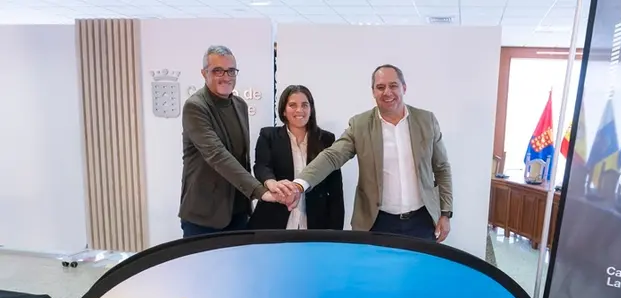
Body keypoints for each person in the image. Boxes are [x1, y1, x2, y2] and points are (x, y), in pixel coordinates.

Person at [274, 64, 453, 242]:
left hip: (421, 222)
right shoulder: (360, 125)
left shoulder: (426, 120)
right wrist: (299, 185)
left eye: (393, 86)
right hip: (377, 223)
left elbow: (442, 168)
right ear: (373, 92)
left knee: (419, 271)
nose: (387, 92)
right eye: (380, 87)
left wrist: (445, 213)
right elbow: (332, 156)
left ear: (404, 88)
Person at [178, 45, 283, 238]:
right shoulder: (195, 107)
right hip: (204, 217)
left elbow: (241, 158)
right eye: (218, 70)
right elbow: (217, 155)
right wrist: (259, 191)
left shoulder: (240, 105)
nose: (226, 76)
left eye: (231, 70)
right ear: (204, 73)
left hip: (238, 213)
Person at [247, 85, 344, 230]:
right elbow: (261, 166)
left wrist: (336, 231)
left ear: (311, 109)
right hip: (273, 219)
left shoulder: (326, 139)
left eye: (305, 105)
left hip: (315, 222)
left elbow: (335, 187)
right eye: (293, 105)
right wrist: (272, 183)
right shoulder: (269, 136)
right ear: (284, 111)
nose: (300, 110)